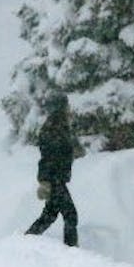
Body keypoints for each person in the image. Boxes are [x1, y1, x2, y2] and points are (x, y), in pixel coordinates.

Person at [25, 93, 79, 247]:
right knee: (70, 215)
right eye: (66, 105)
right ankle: (71, 249)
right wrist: (45, 182)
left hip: (57, 178)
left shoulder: (59, 126)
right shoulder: (53, 128)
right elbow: (47, 158)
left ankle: (25, 240)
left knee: (49, 215)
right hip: (55, 179)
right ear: (60, 108)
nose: (69, 108)